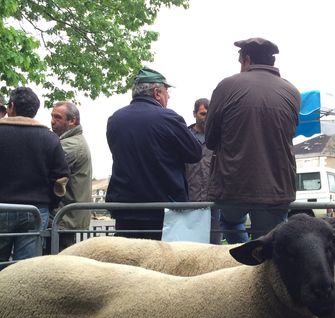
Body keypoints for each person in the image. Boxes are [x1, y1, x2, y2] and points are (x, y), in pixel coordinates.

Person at [205, 37, 301, 243]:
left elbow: (210, 139)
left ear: (246, 60)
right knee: (270, 241)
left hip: (233, 184)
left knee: (230, 223)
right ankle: (260, 265)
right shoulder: (292, 92)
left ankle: (244, 258)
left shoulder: (227, 86)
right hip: (277, 185)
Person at [106, 67, 202, 240]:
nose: (169, 97)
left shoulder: (115, 119)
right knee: (161, 264)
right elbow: (195, 153)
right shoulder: (168, 118)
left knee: (128, 262)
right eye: (167, 92)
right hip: (162, 211)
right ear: (157, 93)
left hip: (125, 209)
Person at [0, 87, 69, 264]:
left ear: (12, 106)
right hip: (35, 210)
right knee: (26, 268)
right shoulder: (49, 138)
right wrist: (49, 203)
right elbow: (61, 178)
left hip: (2, 207)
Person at [47, 101, 92, 251]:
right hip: (66, 218)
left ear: (72, 121)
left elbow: (46, 172)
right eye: (52, 116)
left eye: (58, 117)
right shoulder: (71, 142)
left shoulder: (69, 146)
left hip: (63, 218)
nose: (52, 121)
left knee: (55, 264)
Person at [185, 98, 222, 244]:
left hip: (212, 201)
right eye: (203, 114)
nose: (206, 118)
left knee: (213, 246)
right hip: (189, 201)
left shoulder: (219, 138)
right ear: (194, 114)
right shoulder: (184, 136)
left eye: (209, 114)